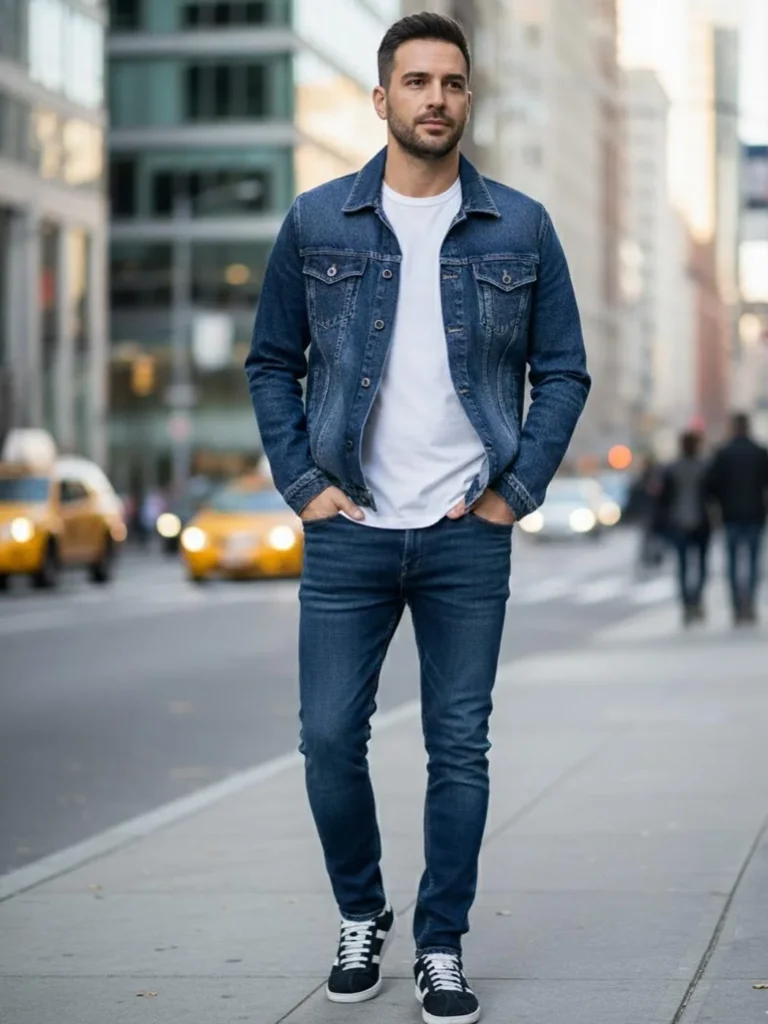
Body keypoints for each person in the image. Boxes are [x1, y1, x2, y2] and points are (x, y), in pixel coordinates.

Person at [245, 13, 590, 1023]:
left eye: (450, 81)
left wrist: (509, 493)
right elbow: (272, 360)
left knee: (461, 746)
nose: (434, 96)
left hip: (463, 536)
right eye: (416, 81)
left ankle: (441, 942)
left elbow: (562, 369)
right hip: (349, 527)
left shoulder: (520, 226)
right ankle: (363, 913)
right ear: (382, 98)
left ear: (467, 98)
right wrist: (305, 484)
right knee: (325, 739)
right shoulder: (318, 221)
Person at [706, 413, 768, 624]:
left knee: (733, 563)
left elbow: (711, 486)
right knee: (752, 562)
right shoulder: (759, 452)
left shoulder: (723, 454)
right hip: (755, 513)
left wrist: (718, 505)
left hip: (730, 514)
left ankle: (736, 605)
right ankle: (749, 603)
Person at [658, 432, 711, 625]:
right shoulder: (702, 467)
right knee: (696, 565)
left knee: (686, 566)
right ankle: (692, 601)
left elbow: (663, 499)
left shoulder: (675, 469)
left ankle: (690, 602)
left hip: (686, 521)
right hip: (690, 521)